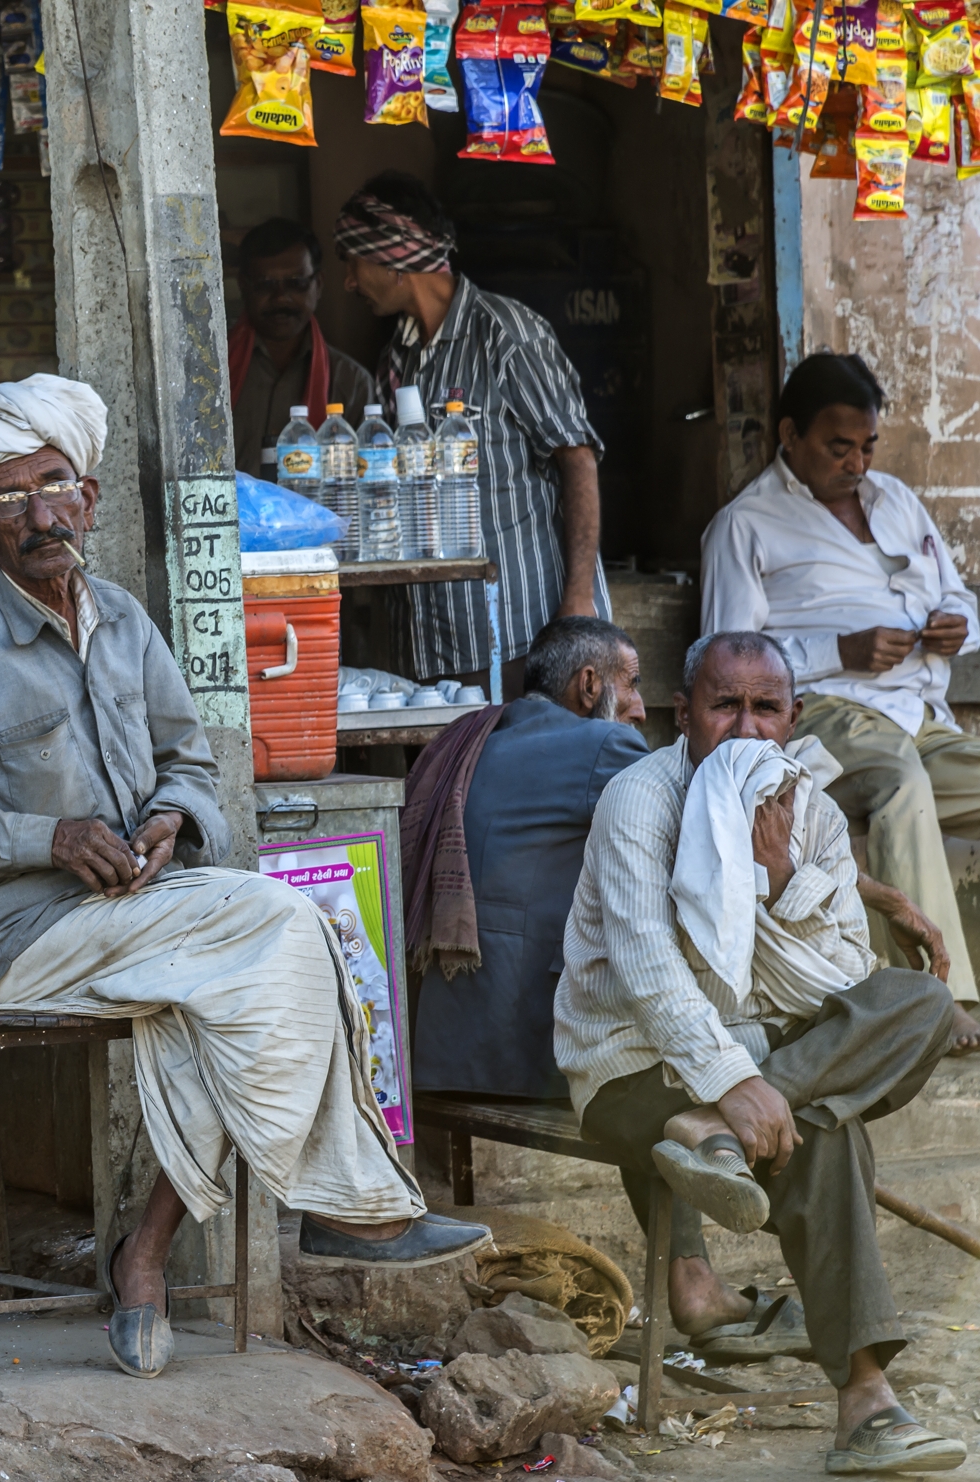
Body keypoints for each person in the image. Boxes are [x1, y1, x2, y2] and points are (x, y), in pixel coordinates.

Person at [0, 371, 491, 1382]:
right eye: (10, 502)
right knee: (282, 932)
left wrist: (167, 820)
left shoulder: (121, 619)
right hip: (21, 938)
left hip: (142, 913)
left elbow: (190, 764)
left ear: (91, 499)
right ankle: (346, 1213)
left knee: (237, 990)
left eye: (56, 486)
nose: (41, 515)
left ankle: (147, 1257)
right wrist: (48, 839)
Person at [556, 631, 965, 1475]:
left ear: (793, 717)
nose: (746, 730)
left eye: (765, 709)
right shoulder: (641, 799)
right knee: (828, 1129)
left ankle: (720, 1121)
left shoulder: (807, 810)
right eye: (725, 706)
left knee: (918, 1001)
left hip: (732, 1083)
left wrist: (775, 880)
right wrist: (735, 1079)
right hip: (631, 1068)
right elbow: (646, 970)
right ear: (686, 716)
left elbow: (847, 977)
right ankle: (866, 1403)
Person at [702, 351, 980, 1053]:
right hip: (828, 716)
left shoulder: (897, 500)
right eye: (837, 447)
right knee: (900, 786)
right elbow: (727, 661)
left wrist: (957, 625)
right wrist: (839, 651)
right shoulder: (746, 525)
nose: (856, 463)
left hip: (919, 714)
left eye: (866, 446)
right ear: (789, 435)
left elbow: (958, 597)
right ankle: (941, 1004)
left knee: (929, 771)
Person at [334, 170, 608, 700]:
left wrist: (578, 599)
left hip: (521, 635)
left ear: (394, 260)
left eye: (353, 260)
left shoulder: (506, 335)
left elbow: (577, 457)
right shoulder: (399, 359)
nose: (348, 281)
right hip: (432, 645)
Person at [406, 615, 651, 1103]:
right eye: (632, 684)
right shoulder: (606, 744)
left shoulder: (474, 734)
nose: (641, 709)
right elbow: (675, 829)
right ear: (588, 685)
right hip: (525, 1045)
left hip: (440, 1035)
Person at [226, 217, 376, 484]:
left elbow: (364, 484)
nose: (281, 297)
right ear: (244, 286)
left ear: (318, 285)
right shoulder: (212, 372)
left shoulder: (351, 382)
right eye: (266, 284)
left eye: (296, 283)